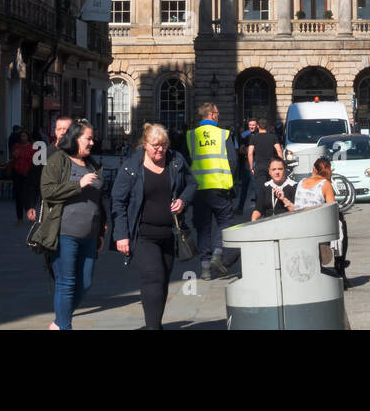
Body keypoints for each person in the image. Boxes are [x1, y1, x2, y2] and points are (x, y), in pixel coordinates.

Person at [111, 124, 196, 330]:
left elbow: (192, 184)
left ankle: (155, 323)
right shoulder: (132, 166)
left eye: (163, 145)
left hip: (169, 233)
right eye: (155, 145)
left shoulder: (176, 160)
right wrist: (121, 235)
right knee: (153, 277)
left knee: (163, 281)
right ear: (145, 144)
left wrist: (183, 201)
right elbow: (118, 201)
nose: (160, 150)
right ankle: (153, 327)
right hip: (143, 234)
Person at [36, 119, 106, 330]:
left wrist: (102, 227)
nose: (92, 142)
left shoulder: (93, 164)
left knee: (85, 283)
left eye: (92, 138)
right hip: (64, 233)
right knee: (66, 284)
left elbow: (99, 200)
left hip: (90, 235)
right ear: (75, 138)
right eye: (88, 138)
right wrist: (78, 184)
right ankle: (65, 326)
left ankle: (58, 323)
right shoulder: (58, 160)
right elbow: (47, 191)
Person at [187, 103, 240, 280]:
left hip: (198, 188)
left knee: (203, 228)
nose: (219, 115)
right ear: (211, 114)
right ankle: (218, 254)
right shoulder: (223, 134)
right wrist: (232, 181)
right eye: (217, 113)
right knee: (226, 221)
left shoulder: (191, 135)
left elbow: (185, 162)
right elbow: (232, 161)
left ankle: (205, 269)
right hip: (219, 186)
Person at [295, 156, 350, 286]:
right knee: (341, 224)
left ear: (314, 170)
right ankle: (340, 264)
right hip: (315, 226)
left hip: (298, 223)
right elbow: (332, 208)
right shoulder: (325, 184)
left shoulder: (301, 182)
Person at [245, 118, 284, 215]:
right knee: (272, 188)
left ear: (258, 126)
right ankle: (272, 209)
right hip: (271, 167)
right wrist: (281, 165)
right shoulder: (273, 137)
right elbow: (279, 150)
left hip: (259, 167)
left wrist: (251, 167)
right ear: (267, 126)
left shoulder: (253, 138)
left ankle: (260, 211)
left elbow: (250, 153)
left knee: (261, 190)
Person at [10, 130, 36, 225]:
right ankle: (20, 218)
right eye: (21, 136)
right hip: (17, 174)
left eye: (24, 136)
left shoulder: (32, 147)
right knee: (18, 197)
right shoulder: (16, 146)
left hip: (29, 174)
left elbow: (36, 161)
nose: (23, 138)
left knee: (27, 197)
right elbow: (11, 159)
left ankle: (30, 214)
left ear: (28, 137)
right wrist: (13, 155)